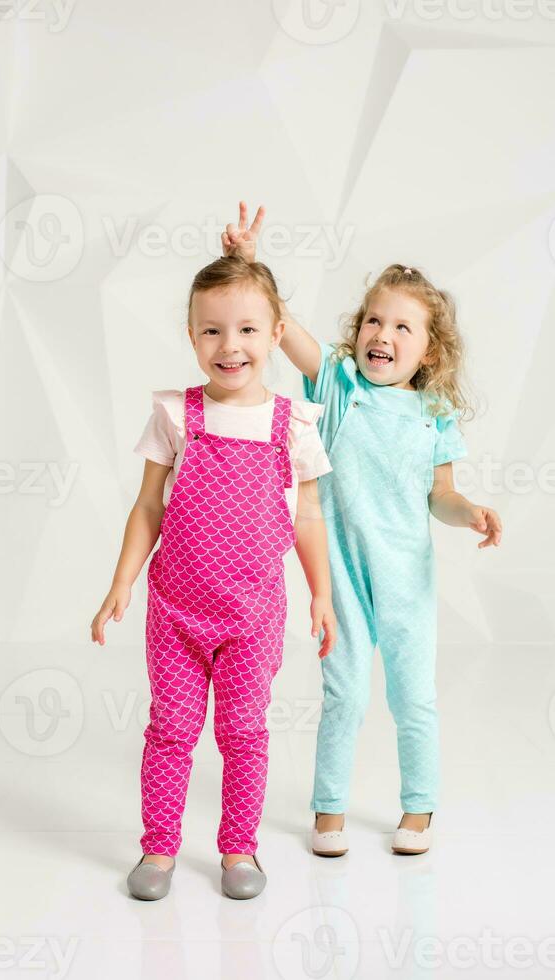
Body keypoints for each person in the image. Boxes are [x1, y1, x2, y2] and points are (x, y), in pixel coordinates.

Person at [223, 202, 502, 857]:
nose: (384, 333)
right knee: (343, 689)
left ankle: (419, 809)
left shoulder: (432, 412)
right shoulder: (341, 382)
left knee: (413, 696)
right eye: (374, 319)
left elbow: (443, 497)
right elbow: (282, 330)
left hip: (406, 575)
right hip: (341, 573)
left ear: (428, 349)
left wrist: (473, 514)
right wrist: (246, 263)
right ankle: (329, 811)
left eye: (403, 326)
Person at [91, 255, 337, 899]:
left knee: (245, 732)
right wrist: (121, 582)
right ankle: (158, 848)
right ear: (193, 335)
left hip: (253, 615)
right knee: (171, 729)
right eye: (212, 331)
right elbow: (149, 505)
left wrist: (321, 593)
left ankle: (238, 850)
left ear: (277, 332)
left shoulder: (293, 425)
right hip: (175, 610)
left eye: (248, 330)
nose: (230, 346)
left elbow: (308, 516)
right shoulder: (177, 415)